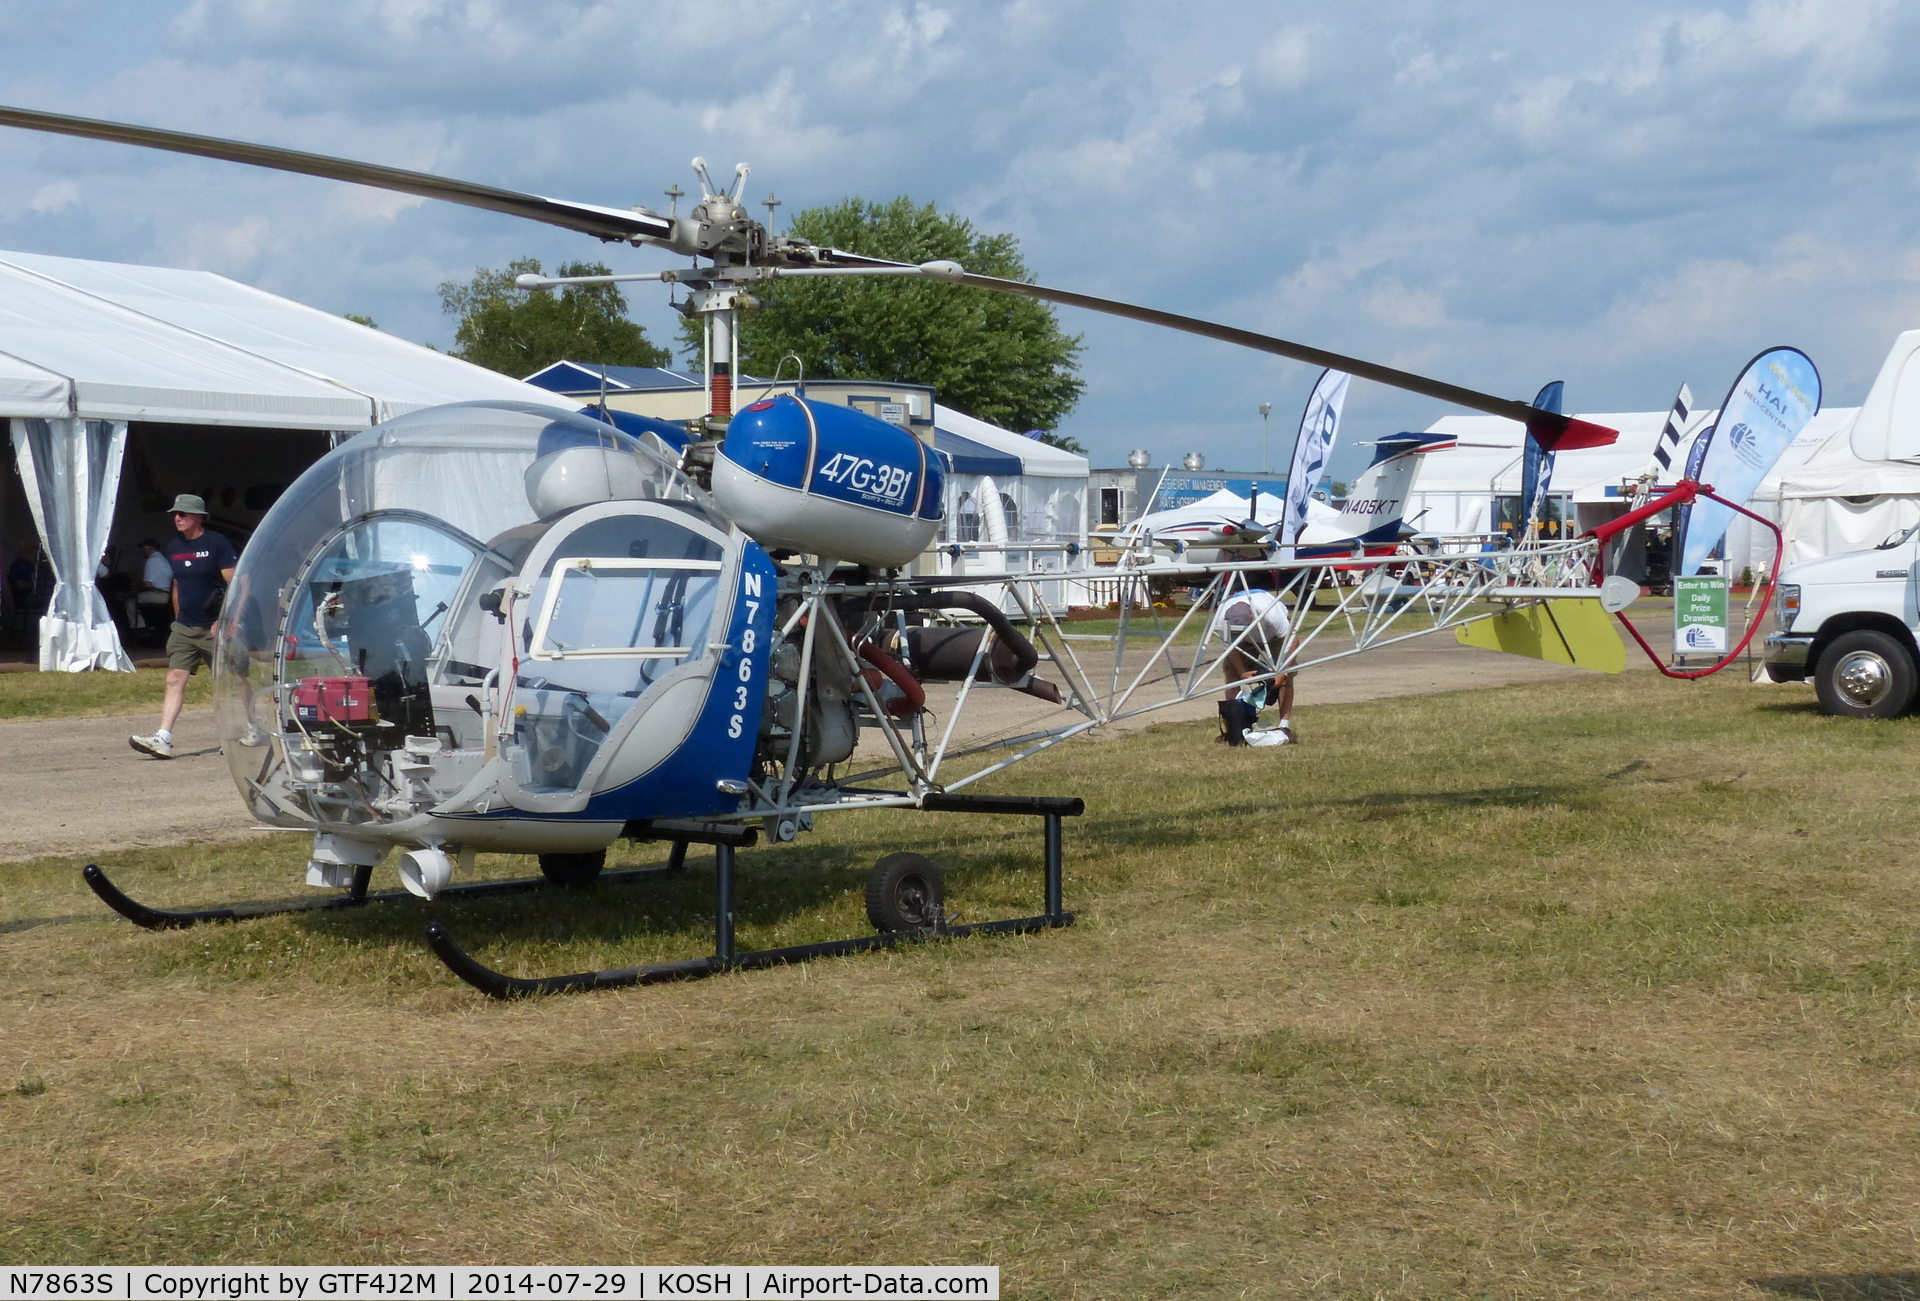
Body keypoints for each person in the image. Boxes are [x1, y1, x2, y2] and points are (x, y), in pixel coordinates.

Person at [130, 495, 243, 759]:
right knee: (174, 677)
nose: (177, 518)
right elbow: (178, 585)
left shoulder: (217, 543)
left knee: (235, 678)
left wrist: (228, 620)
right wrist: (177, 618)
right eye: (175, 514)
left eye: (183, 514)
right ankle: (163, 738)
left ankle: (248, 728)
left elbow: (239, 584)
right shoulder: (174, 547)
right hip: (185, 627)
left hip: (215, 627)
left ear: (199, 517)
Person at [1215, 587, 1296, 747]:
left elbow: (1293, 641)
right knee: (1231, 677)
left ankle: (1284, 726)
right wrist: (1242, 672)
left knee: (1287, 678)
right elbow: (1229, 649)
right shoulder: (1221, 619)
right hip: (1242, 643)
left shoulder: (1271, 613)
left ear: (1253, 616)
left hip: (1275, 636)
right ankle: (1235, 728)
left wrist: (1282, 672)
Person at [124, 538, 173, 641]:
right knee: (136, 596)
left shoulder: (152, 560)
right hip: (167, 593)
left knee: (130, 600)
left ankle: (139, 628)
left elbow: (147, 584)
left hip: (161, 594)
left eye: (143, 549)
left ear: (148, 549)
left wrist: (136, 583)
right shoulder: (162, 559)